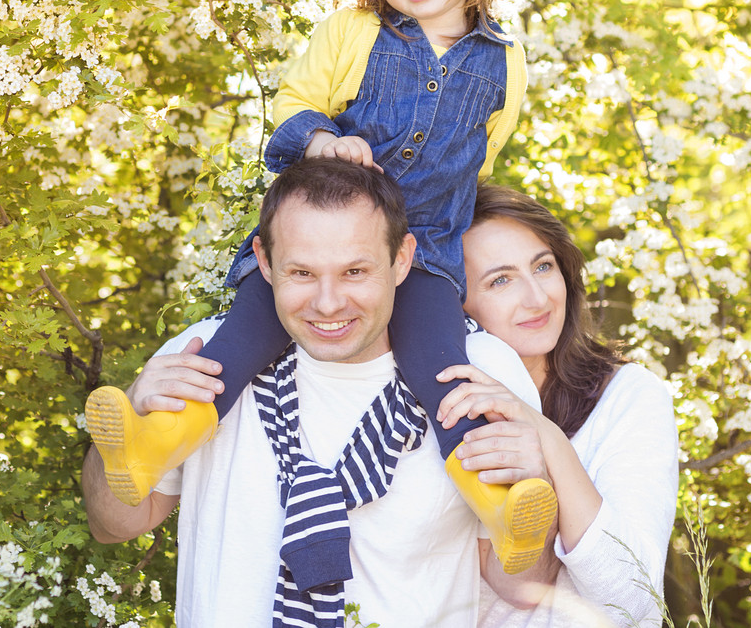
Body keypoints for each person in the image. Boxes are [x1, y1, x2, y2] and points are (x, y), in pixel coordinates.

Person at [86, 0, 553, 573]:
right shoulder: (353, 30)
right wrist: (324, 139)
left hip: (422, 255)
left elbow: (479, 158)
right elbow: (294, 103)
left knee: (443, 374)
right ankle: (150, 445)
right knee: (238, 343)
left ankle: (498, 504)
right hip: (325, 226)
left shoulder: (505, 61)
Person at [83, 159, 548, 627]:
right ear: (264, 261)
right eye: (302, 273)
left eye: (354, 272)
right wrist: (130, 420)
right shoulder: (203, 357)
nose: (327, 303)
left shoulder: (482, 370)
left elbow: (520, 586)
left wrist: (537, 473)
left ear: (402, 258)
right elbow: (113, 526)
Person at [435, 184, 679, 627]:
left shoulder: (631, 397)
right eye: (500, 280)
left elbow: (634, 602)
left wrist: (548, 440)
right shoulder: (441, 407)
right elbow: (514, 587)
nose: (538, 297)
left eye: (543, 266)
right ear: (454, 305)